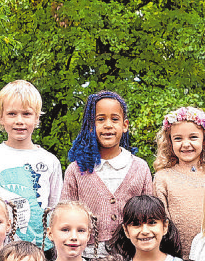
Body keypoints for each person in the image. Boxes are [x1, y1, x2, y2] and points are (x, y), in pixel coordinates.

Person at [61, 90, 155, 247]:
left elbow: (149, 214)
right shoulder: (76, 170)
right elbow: (64, 216)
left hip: (130, 251)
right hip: (86, 253)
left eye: (115, 119)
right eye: (100, 119)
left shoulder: (140, 168)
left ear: (125, 125)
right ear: (91, 126)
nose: (108, 125)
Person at [0, 80, 63, 245]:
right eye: (12, 114)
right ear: (1, 117)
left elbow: (56, 209)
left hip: (39, 249)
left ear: (37, 117)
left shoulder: (50, 161)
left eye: (26, 114)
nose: (19, 120)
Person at [152, 106, 205, 256]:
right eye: (178, 139)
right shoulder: (163, 178)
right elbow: (160, 222)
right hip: (175, 256)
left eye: (193, 137)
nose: (186, 144)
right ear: (170, 142)